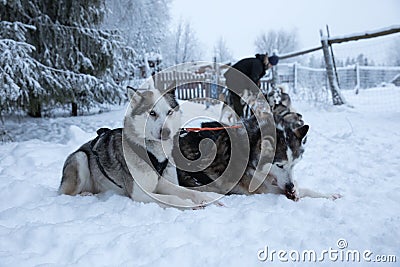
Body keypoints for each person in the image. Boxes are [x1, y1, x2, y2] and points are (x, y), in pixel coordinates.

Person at [224, 53, 279, 118]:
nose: (270, 67)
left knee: (243, 98)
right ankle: (240, 119)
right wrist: (256, 92)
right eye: (271, 64)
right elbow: (253, 80)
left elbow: (254, 80)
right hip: (233, 78)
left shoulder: (259, 64)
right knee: (238, 98)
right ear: (268, 61)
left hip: (236, 78)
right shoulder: (258, 65)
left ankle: (242, 117)